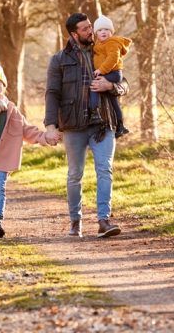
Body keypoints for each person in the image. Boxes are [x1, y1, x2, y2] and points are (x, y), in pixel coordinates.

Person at [44, 13, 129, 238]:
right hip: (73, 125)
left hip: (104, 122)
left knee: (105, 170)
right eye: (85, 29)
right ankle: (75, 221)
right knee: (75, 174)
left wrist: (110, 86)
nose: (91, 31)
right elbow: (52, 93)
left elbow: (124, 83)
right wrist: (51, 125)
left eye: (90, 26)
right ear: (74, 34)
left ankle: (104, 220)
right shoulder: (59, 60)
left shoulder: (104, 48)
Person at [0, 60, 59, 238]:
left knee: (0, 188)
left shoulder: (11, 109)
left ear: (4, 86)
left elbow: (26, 129)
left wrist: (45, 137)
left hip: (4, 157)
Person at [90, 15, 132, 138]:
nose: (103, 32)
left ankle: (94, 112)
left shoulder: (112, 43)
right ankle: (120, 126)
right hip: (109, 73)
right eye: (100, 30)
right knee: (114, 102)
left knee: (94, 86)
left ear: (111, 32)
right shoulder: (100, 44)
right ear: (96, 33)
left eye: (106, 30)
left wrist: (101, 70)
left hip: (113, 74)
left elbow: (113, 58)